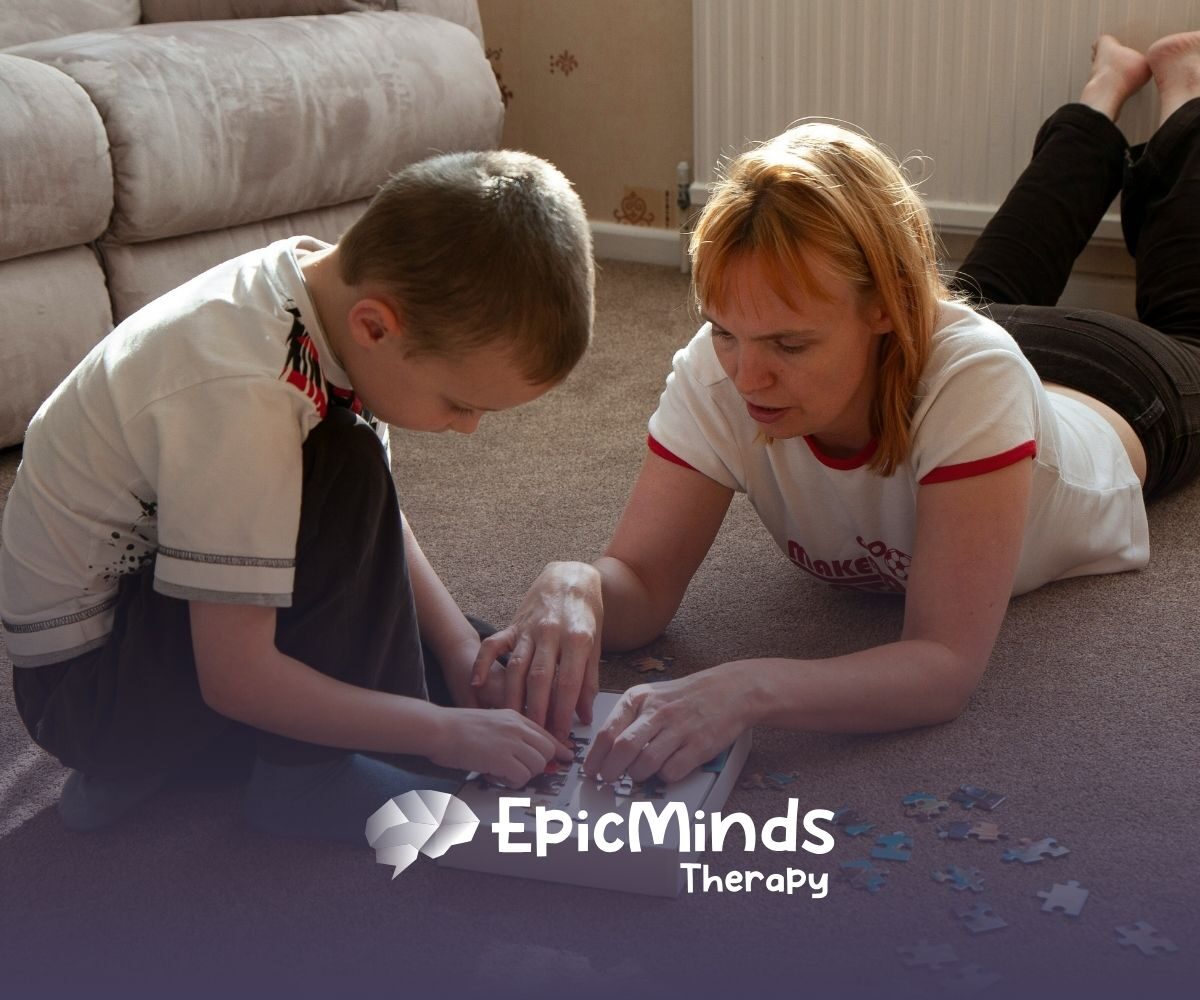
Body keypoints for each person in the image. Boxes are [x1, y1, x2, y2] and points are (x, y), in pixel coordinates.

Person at [471, 33, 1200, 785]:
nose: (748, 377)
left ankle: (1184, 98)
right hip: (932, 356)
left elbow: (942, 667)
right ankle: (1104, 93)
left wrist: (745, 688)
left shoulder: (972, 375)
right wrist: (575, 580)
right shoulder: (728, 366)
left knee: (1186, 319)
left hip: (1113, 390)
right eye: (726, 330)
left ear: (886, 308)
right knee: (1002, 271)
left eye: (788, 344)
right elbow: (644, 584)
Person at [0, 149, 594, 841]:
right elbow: (237, 678)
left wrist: (460, 650)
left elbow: (373, 527)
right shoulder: (245, 390)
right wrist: (439, 732)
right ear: (377, 326)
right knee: (346, 467)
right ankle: (303, 782)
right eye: (461, 402)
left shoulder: (324, 293)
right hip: (90, 700)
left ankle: (183, 766)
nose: (467, 429)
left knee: (472, 653)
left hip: (156, 627)